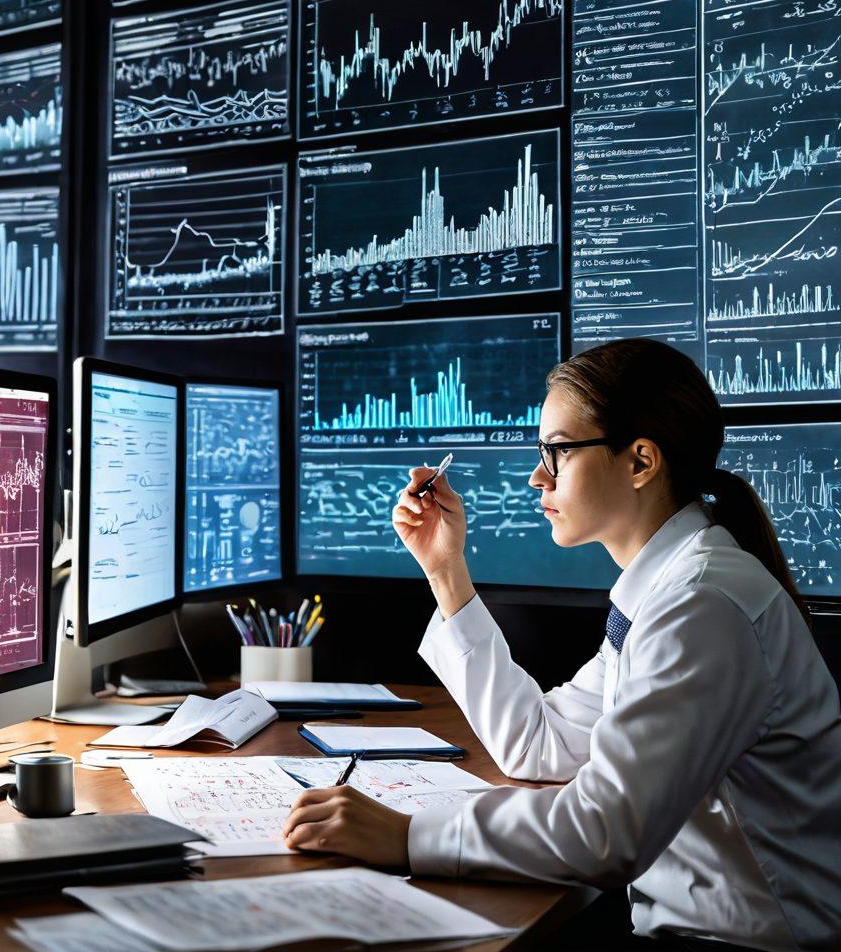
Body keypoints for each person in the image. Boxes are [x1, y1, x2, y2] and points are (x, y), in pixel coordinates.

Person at [282, 339, 841, 951]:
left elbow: (605, 831)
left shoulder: (700, 606)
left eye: (558, 451)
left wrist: (406, 836)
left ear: (640, 462)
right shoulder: (667, 590)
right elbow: (538, 742)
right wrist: (445, 570)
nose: (537, 476)